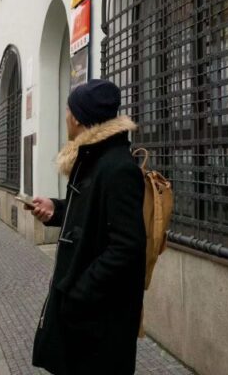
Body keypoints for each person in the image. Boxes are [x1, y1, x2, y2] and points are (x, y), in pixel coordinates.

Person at [29, 79, 145, 375]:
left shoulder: (118, 168)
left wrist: (79, 293)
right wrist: (57, 210)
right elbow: (93, 214)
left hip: (99, 319)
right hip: (88, 316)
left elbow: (127, 247)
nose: (66, 116)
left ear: (78, 118)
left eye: (68, 110)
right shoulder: (94, 160)